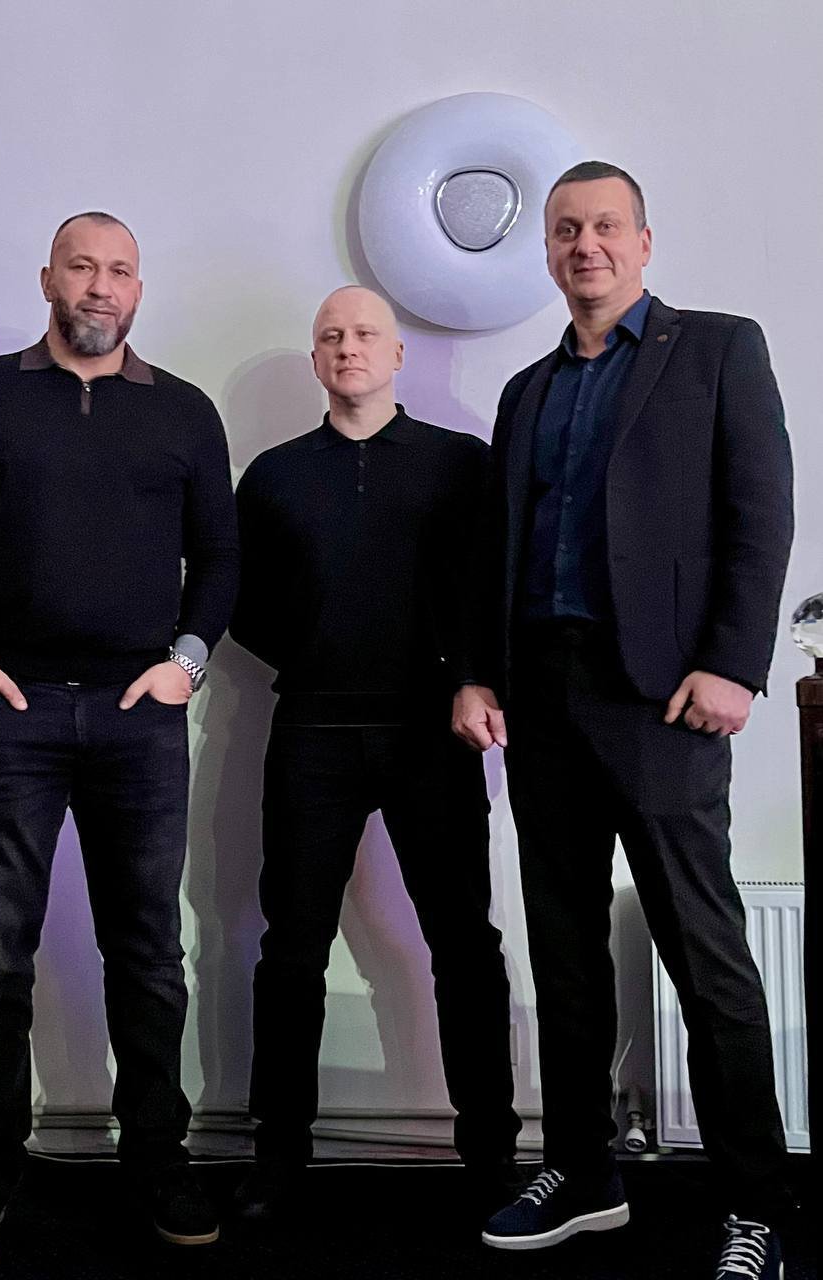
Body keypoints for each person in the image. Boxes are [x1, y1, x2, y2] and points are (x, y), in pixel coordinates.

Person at [0, 212, 239, 1268]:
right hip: (13, 713)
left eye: (120, 270)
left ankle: (157, 1157)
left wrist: (186, 663)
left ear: (139, 290)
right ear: (48, 278)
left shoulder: (184, 411)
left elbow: (220, 554)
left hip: (139, 714)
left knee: (149, 952)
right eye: (83, 265)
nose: (100, 285)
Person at [453, 162, 794, 1279]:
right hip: (540, 699)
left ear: (643, 242)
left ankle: (755, 1205)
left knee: (705, 957)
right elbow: (499, 549)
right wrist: (480, 673)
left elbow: (759, 512)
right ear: (546, 250)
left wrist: (732, 663)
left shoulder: (717, 350)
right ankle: (583, 1172)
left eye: (605, 226)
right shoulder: (527, 390)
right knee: (562, 954)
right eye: (565, 229)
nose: (584, 245)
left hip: (663, 699)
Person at [229, 285, 522, 1224]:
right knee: (290, 947)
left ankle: (491, 1151)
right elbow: (242, 601)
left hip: (433, 730)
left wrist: (471, 677)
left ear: (398, 354)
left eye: (364, 334)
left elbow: (491, 588)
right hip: (313, 726)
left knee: (464, 942)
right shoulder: (274, 477)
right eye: (331, 336)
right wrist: (314, 653)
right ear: (316, 359)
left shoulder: (461, 464)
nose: (347, 347)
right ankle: (278, 1154)